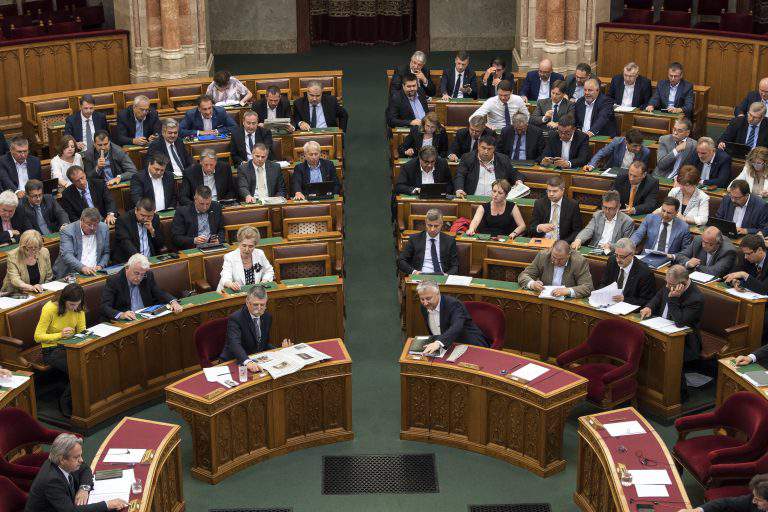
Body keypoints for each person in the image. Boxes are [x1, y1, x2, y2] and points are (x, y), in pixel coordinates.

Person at [24, 433, 128, 511]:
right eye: (76, 457)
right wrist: (107, 504)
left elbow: (85, 469)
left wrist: (84, 488)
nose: (81, 460)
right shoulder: (52, 480)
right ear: (62, 459)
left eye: (80, 455)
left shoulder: (64, 463)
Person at [33, 285, 85, 417]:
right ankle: (65, 401)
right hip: (51, 349)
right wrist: (60, 335)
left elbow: (81, 330)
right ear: (63, 300)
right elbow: (37, 337)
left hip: (72, 345)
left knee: (88, 364)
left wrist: (82, 336)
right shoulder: (50, 308)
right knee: (77, 369)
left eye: (77, 305)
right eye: (72, 304)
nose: (74, 308)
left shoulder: (78, 307)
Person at [640, 264, 704, 363]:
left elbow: (679, 322)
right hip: (661, 328)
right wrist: (649, 307)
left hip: (684, 341)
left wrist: (673, 299)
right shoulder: (671, 283)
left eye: (670, 284)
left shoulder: (696, 298)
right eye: (666, 282)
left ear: (682, 284)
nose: (667, 286)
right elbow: (659, 296)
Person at [219, 285, 292, 368]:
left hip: (254, 359)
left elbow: (263, 344)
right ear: (247, 302)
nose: (259, 308)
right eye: (255, 305)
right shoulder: (236, 318)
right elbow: (235, 345)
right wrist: (248, 362)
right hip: (234, 361)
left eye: (262, 305)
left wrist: (279, 350)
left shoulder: (267, 317)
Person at [100, 253, 182, 321]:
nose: (139, 278)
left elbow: (158, 292)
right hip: (127, 321)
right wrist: (121, 314)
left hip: (145, 318)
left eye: (142, 274)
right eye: (136, 273)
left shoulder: (148, 276)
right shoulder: (114, 280)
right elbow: (105, 307)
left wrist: (173, 302)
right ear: (127, 267)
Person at [416, 280, 490, 355]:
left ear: (438, 293)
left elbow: (457, 326)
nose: (425, 303)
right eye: (422, 299)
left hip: (469, 345)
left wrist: (439, 342)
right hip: (446, 346)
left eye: (428, 299)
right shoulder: (423, 307)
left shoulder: (454, 304)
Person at [518, 240, 594, 298]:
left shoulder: (579, 261)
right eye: (554, 257)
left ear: (568, 255)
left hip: (568, 302)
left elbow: (588, 287)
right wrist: (532, 284)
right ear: (551, 251)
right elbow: (524, 275)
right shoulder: (543, 256)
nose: (556, 262)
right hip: (545, 299)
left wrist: (568, 291)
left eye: (560, 259)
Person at [727, 235, 768, 342]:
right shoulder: (744, 255)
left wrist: (745, 275)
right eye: (744, 254)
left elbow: (764, 289)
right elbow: (733, 274)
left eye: (748, 254)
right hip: (749, 300)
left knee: (755, 321)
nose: (745, 257)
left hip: (765, 306)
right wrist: (735, 282)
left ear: (759, 250)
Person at [454, 135, 524, 198]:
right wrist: (459, 189)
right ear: (478, 146)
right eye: (483, 148)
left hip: (496, 200)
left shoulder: (503, 159)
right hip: (473, 198)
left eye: (489, 149)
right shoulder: (467, 158)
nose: (486, 152)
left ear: (494, 149)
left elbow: (514, 173)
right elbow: (460, 175)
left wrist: (518, 180)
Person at [397, 209, 458, 275]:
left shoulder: (449, 241)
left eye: (436, 226)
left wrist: (447, 275)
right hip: (420, 276)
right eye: (430, 225)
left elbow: (455, 266)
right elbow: (401, 260)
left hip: (442, 276)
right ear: (425, 223)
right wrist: (414, 272)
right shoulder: (414, 239)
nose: (432, 229)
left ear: (442, 224)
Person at [53, 208, 110, 278]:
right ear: (81, 220)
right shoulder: (68, 231)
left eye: (95, 225)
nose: (92, 228)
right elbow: (67, 255)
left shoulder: (103, 228)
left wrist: (101, 265)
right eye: (89, 224)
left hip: (95, 272)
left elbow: (106, 252)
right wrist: (82, 268)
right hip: (72, 274)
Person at [598, 238, 656, 306]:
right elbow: (604, 283)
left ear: (632, 255)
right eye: (616, 255)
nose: (618, 260)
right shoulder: (612, 261)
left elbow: (646, 301)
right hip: (608, 303)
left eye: (622, 257)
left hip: (627, 308)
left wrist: (625, 300)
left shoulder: (645, 273)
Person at [217, 226, 274, 292]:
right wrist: (231, 284)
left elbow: (269, 270)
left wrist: (264, 281)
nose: (247, 249)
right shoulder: (230, 257)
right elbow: (225, 277)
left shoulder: (259, 253)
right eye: (244, 245)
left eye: (251, 246)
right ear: (239, 243)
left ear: (255, 245)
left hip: (255, 293)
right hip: (234, 293)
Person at [529, 175, 583, 243]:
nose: (551, 194)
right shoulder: (539, 203)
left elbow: (577, 230)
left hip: (562, 243)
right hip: (542, 242)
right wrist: (539, 227)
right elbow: (531, 228)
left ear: (562, 190)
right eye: (549, 191)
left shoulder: (572, 205)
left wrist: (563, 243)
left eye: (555, 191)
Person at [675, 473, 768, 512]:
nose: (753, 501)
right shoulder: (752, 499)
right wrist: (698, 511)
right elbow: (726, 502)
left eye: (758, 499)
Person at [113, 197, 165, 263]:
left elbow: (160, 244)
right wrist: (141, 260)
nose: (145, 218)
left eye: (149, 216)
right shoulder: (123, 220)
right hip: (130, 262)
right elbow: (126, 243)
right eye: (143, 215)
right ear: (136, 210)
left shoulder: (155, 218)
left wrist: (152, 231)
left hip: (151, 260)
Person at [1, 229, 52, 294]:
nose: (33, 251)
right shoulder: (13, 255)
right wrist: (31, 287)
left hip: (38, 292)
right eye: (30, 247)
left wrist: (42, 288)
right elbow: (15, 279)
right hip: (14, 293)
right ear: (23, 246)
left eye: (36, 247)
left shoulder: (44, 252)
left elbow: (49, 275)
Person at [584, 128, 650, 171]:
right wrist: (591, 165)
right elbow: (601, 153)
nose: (638, 149)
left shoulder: (645, 152)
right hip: (613, 173)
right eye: (635, 146)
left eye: (640, 145)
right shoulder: (617, 142)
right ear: (626, 142)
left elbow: (642, 170)